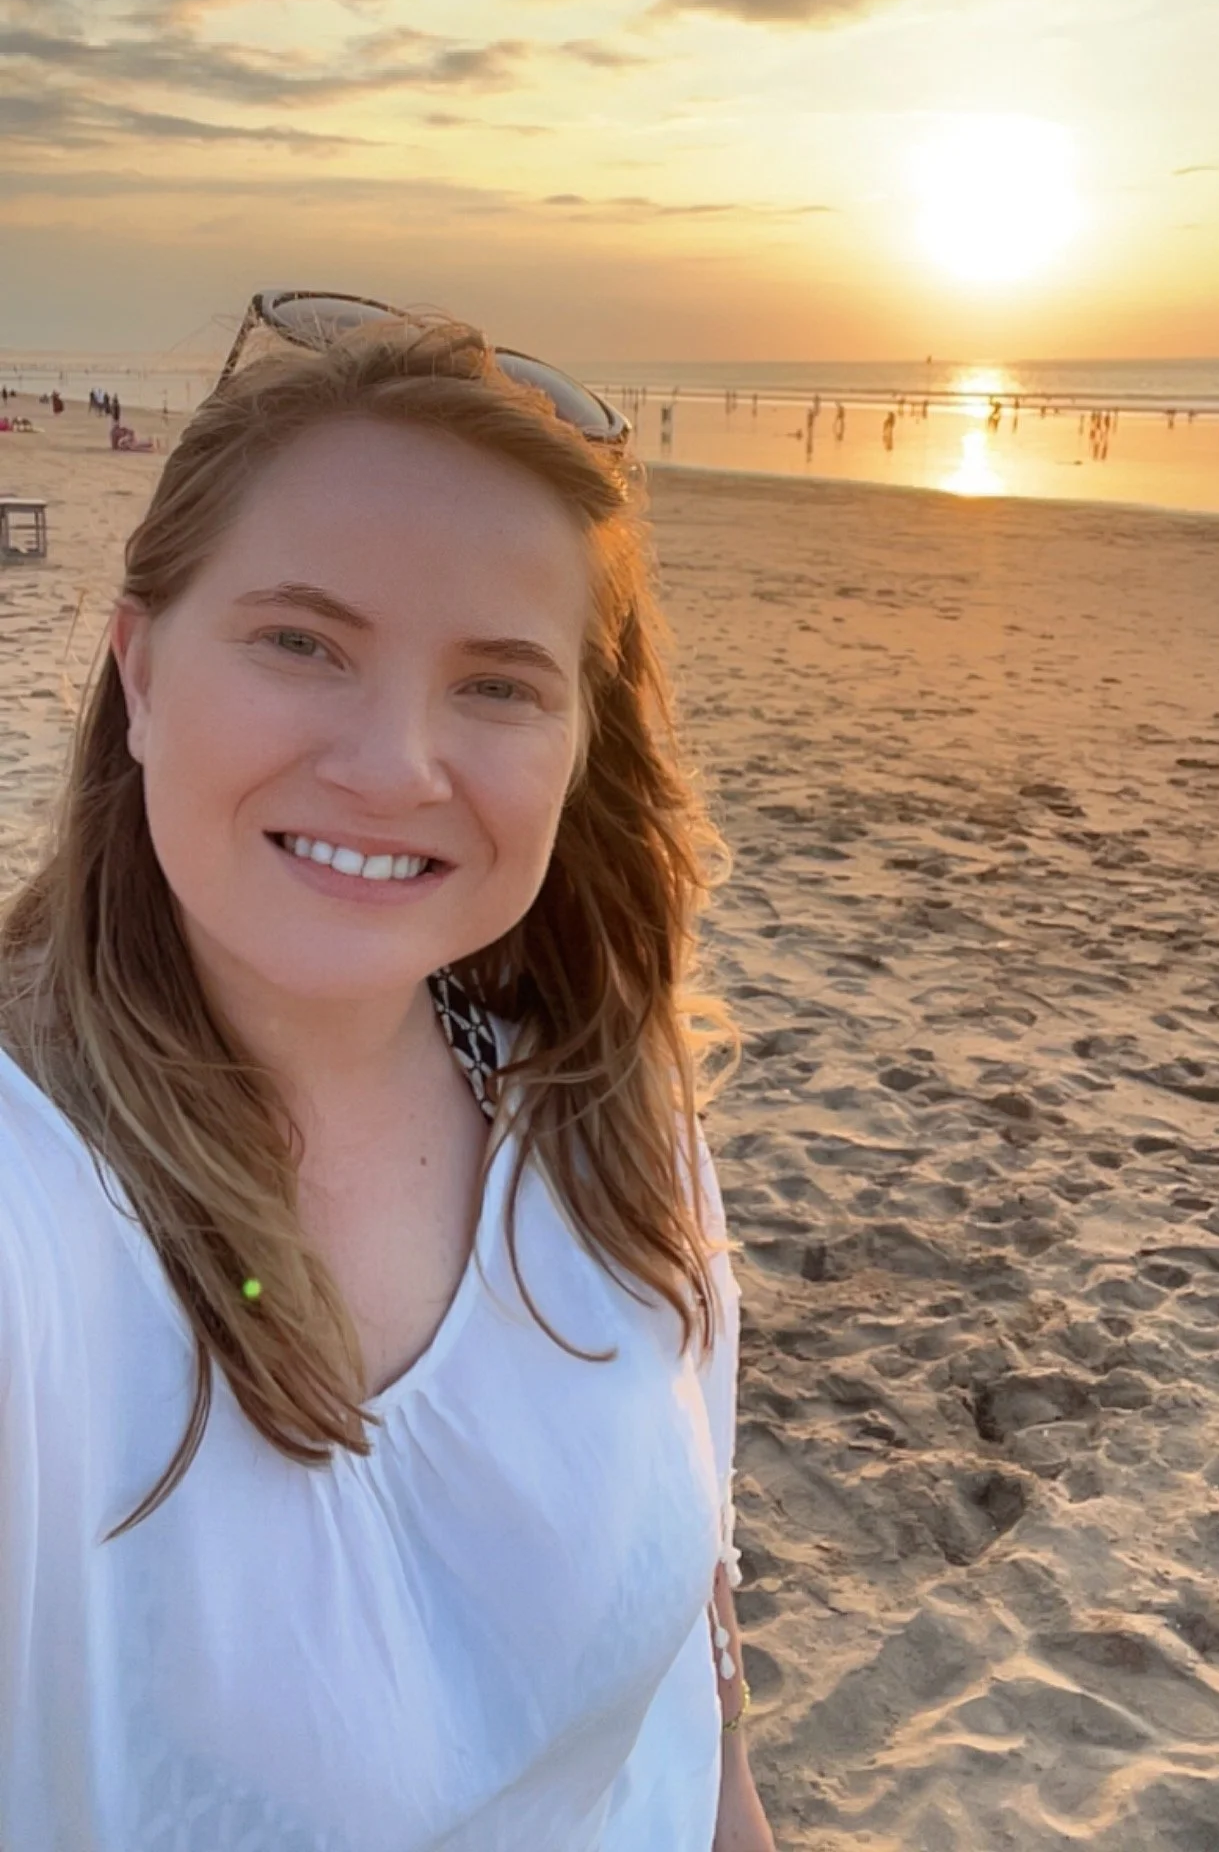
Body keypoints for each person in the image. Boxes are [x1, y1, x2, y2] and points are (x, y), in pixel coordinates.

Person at [0, 313, 776, 1852]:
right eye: (303, 643)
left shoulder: (600, 1110)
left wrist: (741, 1804)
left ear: (574, 745)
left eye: (498, 685)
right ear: (139, 674)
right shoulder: (37, 1219)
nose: (393, 764)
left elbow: (694, 1624)